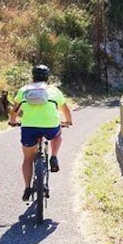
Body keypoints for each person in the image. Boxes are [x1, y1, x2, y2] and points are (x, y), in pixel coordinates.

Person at [9, 64, 73, 201]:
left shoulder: (24, 90)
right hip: (50, 126)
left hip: (29, 128)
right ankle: (54, 156)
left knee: (27, 159)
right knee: (57, 135)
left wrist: (13, 121)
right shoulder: (53, 90)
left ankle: (27, 188)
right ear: (47, 77)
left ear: (33, 76)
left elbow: (14, 110)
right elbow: (65, 110)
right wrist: (68, 121)